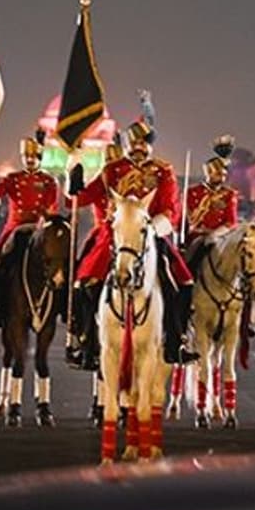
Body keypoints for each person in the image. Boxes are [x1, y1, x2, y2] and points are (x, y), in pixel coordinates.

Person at [67, 116, 200, 370]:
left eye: (144, 142)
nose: (139, 146)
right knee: (85, 282)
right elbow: (79, 200)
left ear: (150, 145)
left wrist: (152, 228)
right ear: (128, 144)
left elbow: (170, 209)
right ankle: (86, 340)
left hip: (149, 233)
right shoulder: (112, 171)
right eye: (135, 142)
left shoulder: (163, 171)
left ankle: (176, 341)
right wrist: (72, 181)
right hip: (114, 235)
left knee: (182, 283)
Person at [0, 128, 59, 327]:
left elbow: (52, 207)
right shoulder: (13, 179)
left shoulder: (48, 181)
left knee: (59, 263)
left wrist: (43, 222)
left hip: (39, 227)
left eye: (33, 156)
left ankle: (60, 307)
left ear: (39, 157)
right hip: (15, 227)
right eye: (26, 156)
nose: (30, 160)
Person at [184, 134, 240, 269]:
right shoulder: (193, 192)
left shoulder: (229, 194)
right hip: (196, 236)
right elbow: (186, 217)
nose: (222, 178)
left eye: (224, 175)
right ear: (209, 173)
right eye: (218, 174)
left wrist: (214, 235)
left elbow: (231, 222)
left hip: (220, 237)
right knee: (190, 258)